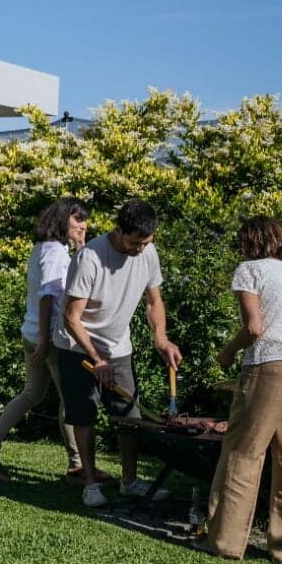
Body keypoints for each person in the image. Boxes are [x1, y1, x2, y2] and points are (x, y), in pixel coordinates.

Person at [200, 217, 282, 564]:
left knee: (244, 450)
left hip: (272, 362)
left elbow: (255, 328)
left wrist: (227, 351)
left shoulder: (250, 270)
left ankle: (225, 541)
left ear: (249, 242)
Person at [52, 199, 183, 507]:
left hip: (118, 347)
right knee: (84, 416)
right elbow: (71, 318)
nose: (140, 248)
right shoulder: (90, 257)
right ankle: (90, 484)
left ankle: (129, 481)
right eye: (134, 242)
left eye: (146, 242)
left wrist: (161, 339)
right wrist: (96, 359)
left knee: (129, 417)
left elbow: (154, 301)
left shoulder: (148, 253)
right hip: (77, 347)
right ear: (118, 230)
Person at [0, 197, 90, 483]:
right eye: (78, 220)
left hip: (34, 333)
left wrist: (81, 250)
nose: (83, 226)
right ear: (63, 220)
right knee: (70, 400)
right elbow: (48, 295)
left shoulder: (48, 248)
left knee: (32, 395)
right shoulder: (54, 252)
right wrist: (46, 340)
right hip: (48, 338)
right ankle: (78, 466)